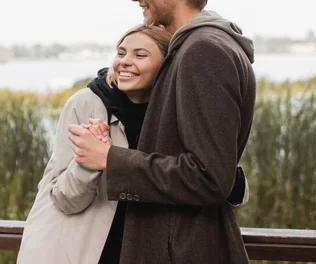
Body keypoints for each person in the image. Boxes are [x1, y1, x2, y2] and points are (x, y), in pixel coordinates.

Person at [67, 0, 256, 263]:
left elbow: (208, 177)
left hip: (181, 251)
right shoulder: (199, 46)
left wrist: (110, 158)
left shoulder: (203, 50)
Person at [17, 24, 249, 264]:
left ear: (166, 67)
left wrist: (216, 174)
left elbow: (228, 189)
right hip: (86, 252)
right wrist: (90, 161)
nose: (124, 61)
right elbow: (65, 199)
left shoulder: (181, 110)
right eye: (121, 53)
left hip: (151, 249)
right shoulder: (86, 104)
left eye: (140, 55)